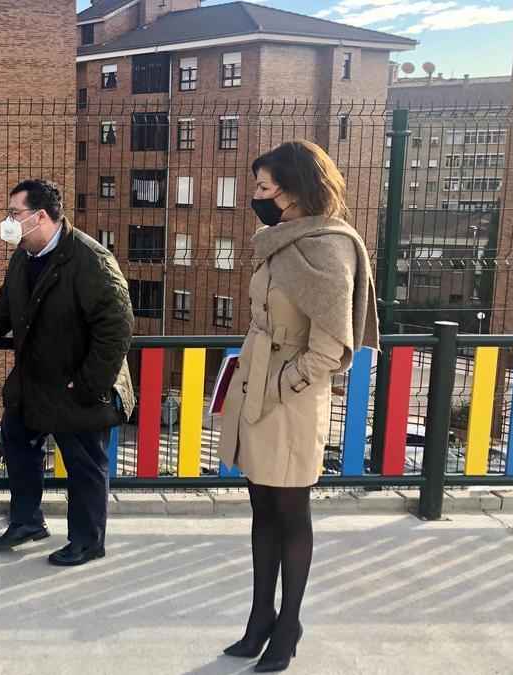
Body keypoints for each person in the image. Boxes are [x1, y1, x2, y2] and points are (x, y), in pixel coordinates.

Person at [217, 141, 379, 672]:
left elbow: (332, 347)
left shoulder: (330, 247)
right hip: (256, 383)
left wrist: (281, 384)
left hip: (291, 398)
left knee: (290, 511)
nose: (256, 197)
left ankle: (288, 625)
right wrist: (252, 382)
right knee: (261, 507)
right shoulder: (280, 241)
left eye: (264, 188)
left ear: (293, 191)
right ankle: (260, 617)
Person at [0, 179, 134, 566]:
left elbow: (118, 327)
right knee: (17, 438)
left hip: (78, 385)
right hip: (36, 380)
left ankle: (88, 541)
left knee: (85, 463)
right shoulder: (25, 254)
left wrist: (90, 384)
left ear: (40, 216)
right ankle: (27, 521)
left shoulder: (91, 260)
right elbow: (7, 306)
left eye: (14, 214)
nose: (8, 222)